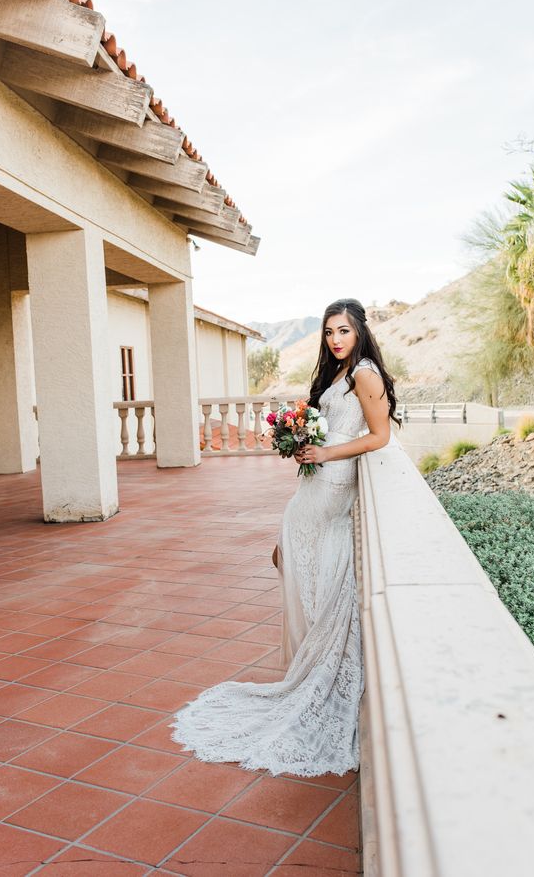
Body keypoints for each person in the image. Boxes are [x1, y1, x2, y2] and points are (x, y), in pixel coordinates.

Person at [171, 298, 400, 777]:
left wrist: (328, 453)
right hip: (313, 488)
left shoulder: (365, 373)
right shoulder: (336, 375)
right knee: (298, 571)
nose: (336, 339)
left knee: (317, 578)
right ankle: (310, 672)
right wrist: (302, 448)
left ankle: (323, 676)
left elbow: (380, 437)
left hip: (333, 490)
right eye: (329, 332)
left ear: (359, 331)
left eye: (343, 330)